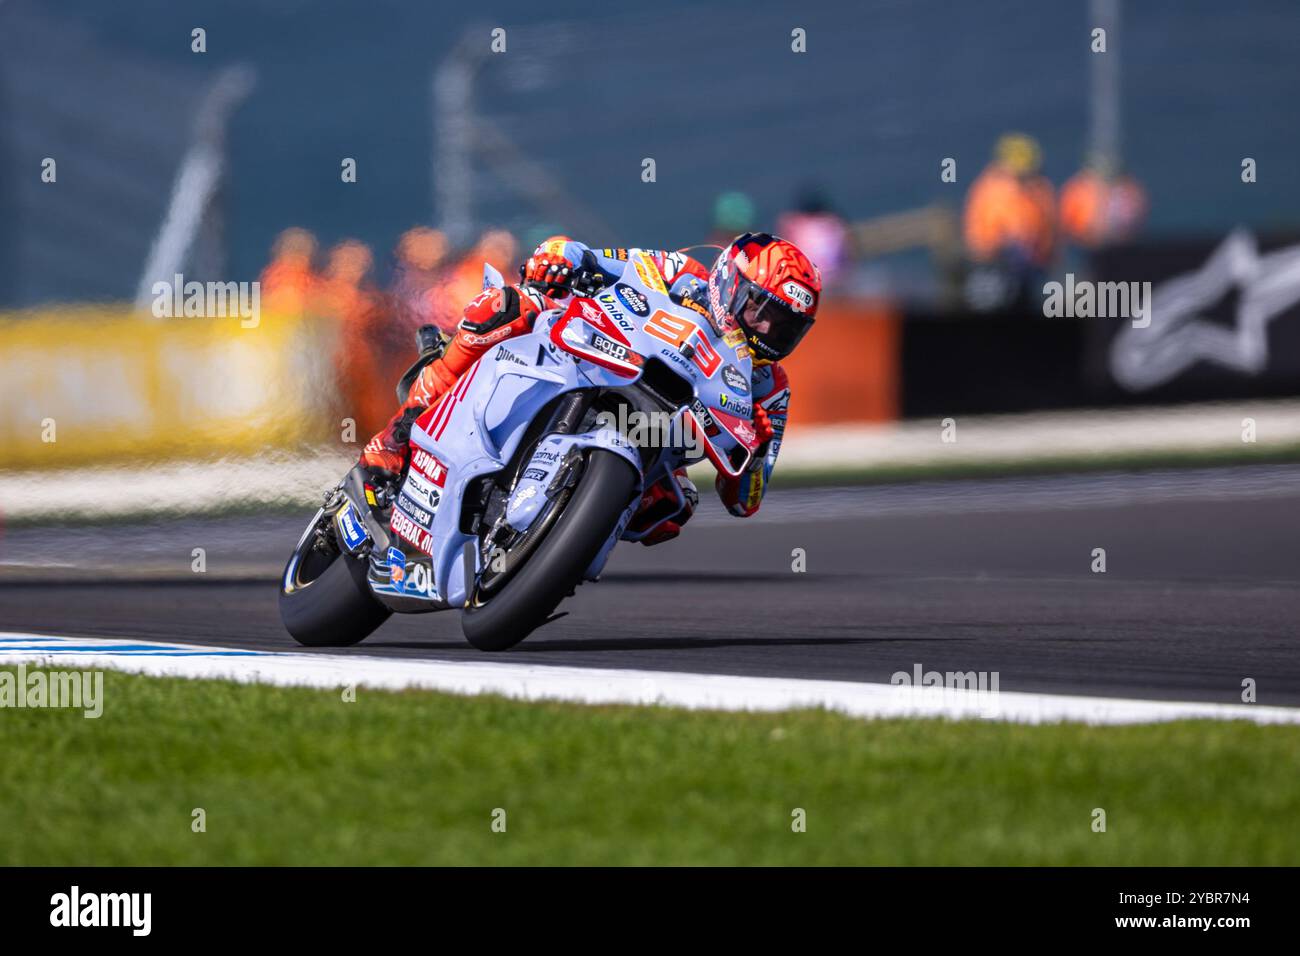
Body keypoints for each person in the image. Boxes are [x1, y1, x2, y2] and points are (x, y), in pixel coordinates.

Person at [359, 233, 820, 544]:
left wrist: (756, 451)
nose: (765, 329)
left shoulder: (770, 388)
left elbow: (746, 502)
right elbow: (596, 258)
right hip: (597, 360)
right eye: (761, 309)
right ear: (730, 282)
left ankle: (559, 542)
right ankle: (401, 432)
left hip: (654, 440)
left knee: (670, 511)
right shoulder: (683, 274)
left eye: (784, 328)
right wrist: (562, 257)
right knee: (508, 306)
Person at [963, 133, 1056, 305]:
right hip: (993, 263)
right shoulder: (993, 189)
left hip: (1031, 265)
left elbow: (1047, 228)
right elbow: (989, 229)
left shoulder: (1039, 189)